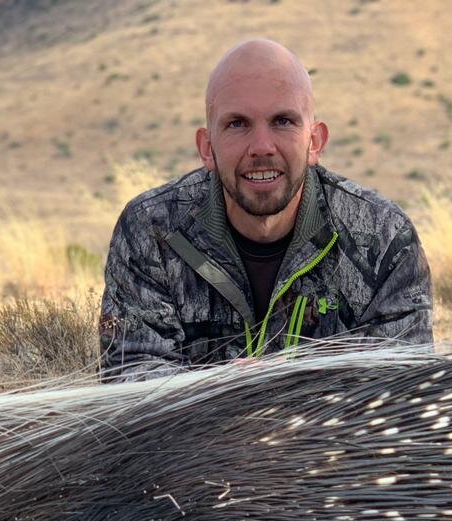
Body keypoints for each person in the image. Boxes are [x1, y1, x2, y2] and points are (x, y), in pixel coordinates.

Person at [99, 38, 433, 382]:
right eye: (237, 124)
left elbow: (407, 386)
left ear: (315, 141)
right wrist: (222, 392)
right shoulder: (150, 230)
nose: (261, 147)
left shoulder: (384, 237)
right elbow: (129, 376)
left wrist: (284, 391)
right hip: (202, 435)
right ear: (207, 147)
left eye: (283, 121)